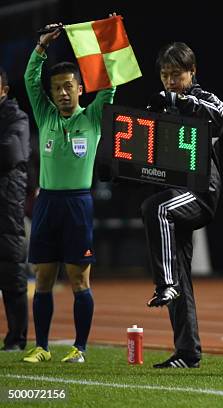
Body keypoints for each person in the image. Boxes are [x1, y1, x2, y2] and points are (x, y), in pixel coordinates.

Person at [22, 25, 116, 363]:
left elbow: (108, 85)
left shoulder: (92, 118)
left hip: (78, 204)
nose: (63, 93)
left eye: (69, 87)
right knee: (44, 277)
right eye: (57, 88)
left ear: (79, 89)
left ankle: (80, 348)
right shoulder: (45, 114)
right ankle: (43, 347)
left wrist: (108, 41)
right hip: (47, 203)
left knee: (79, 280)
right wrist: (40, 48)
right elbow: (31, 80)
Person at [142, 42, 223, 369]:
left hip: (202, 192)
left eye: (176, 74)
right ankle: (187, 353)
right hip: (174, 193)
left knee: (155, 208)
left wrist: (178, 99)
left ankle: (163, 283)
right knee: (179, 280)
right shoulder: (161, 104)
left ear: (192, 73)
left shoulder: (204, 99)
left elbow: (220, 119)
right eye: (165, 75)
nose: (169, 81)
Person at [0, 67, 30, 351]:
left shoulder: (16, 118)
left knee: (11, 275)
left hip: (6, 210)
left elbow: (9, 151)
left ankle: (17, 338)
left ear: (4, 90)